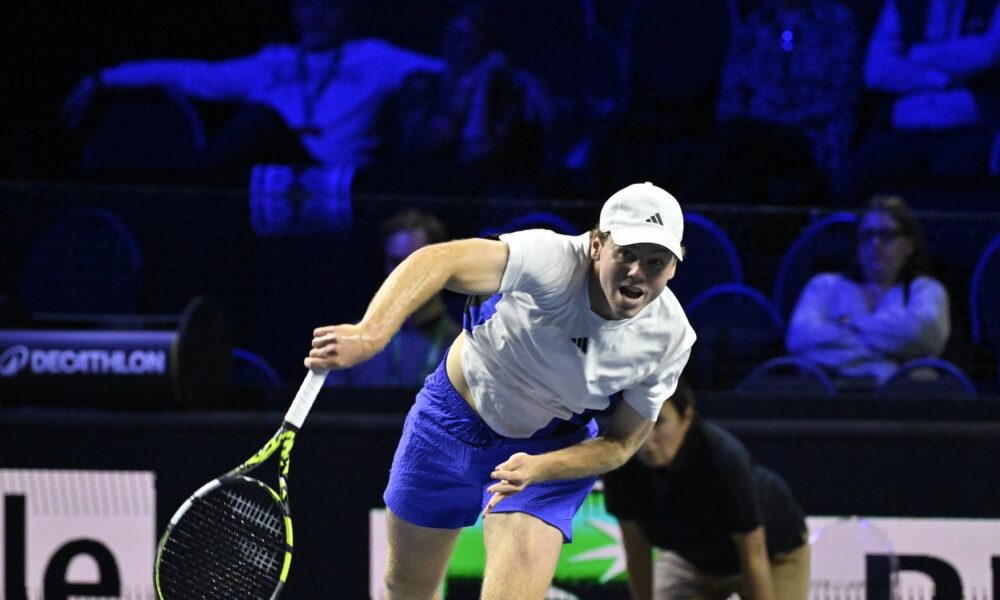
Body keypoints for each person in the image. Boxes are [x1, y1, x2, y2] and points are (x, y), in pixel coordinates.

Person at [305, 181, 696, 598]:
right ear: (597, 245)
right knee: (406, 588)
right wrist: (370, 333)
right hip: (448, 422)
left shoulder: (670, 338)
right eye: (627, 255)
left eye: (656, 261)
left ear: (673, 267)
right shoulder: (552, 259)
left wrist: (541, 468)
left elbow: (621, 443)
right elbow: (440, 260)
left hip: (549, 448)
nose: (638, 271)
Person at [60, 0, 443, 175]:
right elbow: (189, 74)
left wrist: (491, 73)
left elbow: (446, 69)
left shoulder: (374, 57)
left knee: (260, 119)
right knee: (255, 123)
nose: (318, 14)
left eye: (330, 5)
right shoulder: (271, 62)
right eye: (309, 4)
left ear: (347, 11)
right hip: (263, 173)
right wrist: (103, 78)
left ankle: (188, 182)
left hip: (332, 175)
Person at [603, 382, 810, 600]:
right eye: (639, 423)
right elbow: (637, 552)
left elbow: (754, 555)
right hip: (691, 560)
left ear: (686, 418)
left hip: (772, 554)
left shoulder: (724, 460)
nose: (647, 439)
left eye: (659, 423)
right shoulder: (621, 463)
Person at [684, 0, 860, 206]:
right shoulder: (757, 22)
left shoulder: (836, 22)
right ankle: (725, 231)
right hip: (748, 134)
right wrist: (747, 121)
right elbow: (731, 92)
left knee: (739, 140)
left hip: (810, 138)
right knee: (741, 156)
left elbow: (837, 98)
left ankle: (683, 212)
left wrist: (772, 121)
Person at [369, 1, 553, 197]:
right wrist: (464, 95)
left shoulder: (506, 95)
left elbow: (474, 153)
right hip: (420, 197)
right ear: (444, 43)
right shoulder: (421, 86)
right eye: (456, 39)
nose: (464, 49)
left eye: (474, 40)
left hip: (481, 205)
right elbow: (430, 141)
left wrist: (480, 87)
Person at [831, 0, 1000, 201]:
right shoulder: (903, 4)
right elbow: (876, 71)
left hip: (969, 128)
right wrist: (941, 80)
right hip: (906, 125)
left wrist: (919, 54)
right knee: (850, 181)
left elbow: (988, 52)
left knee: (959, 178)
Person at [786, 194, 951, 387]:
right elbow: (800, 336)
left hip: (904, 400)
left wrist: (850, 322)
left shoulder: (924, 290)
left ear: (909, 245)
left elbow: (921, 335)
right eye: (867, 235)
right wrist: (888, 362)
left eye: (886, 235)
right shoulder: (825, 286)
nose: (875, 244)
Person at [328, 209, 461, 387]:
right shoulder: (350, 343)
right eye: (395, 262)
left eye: (415, 262)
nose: (402, 273)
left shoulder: (466, 349)